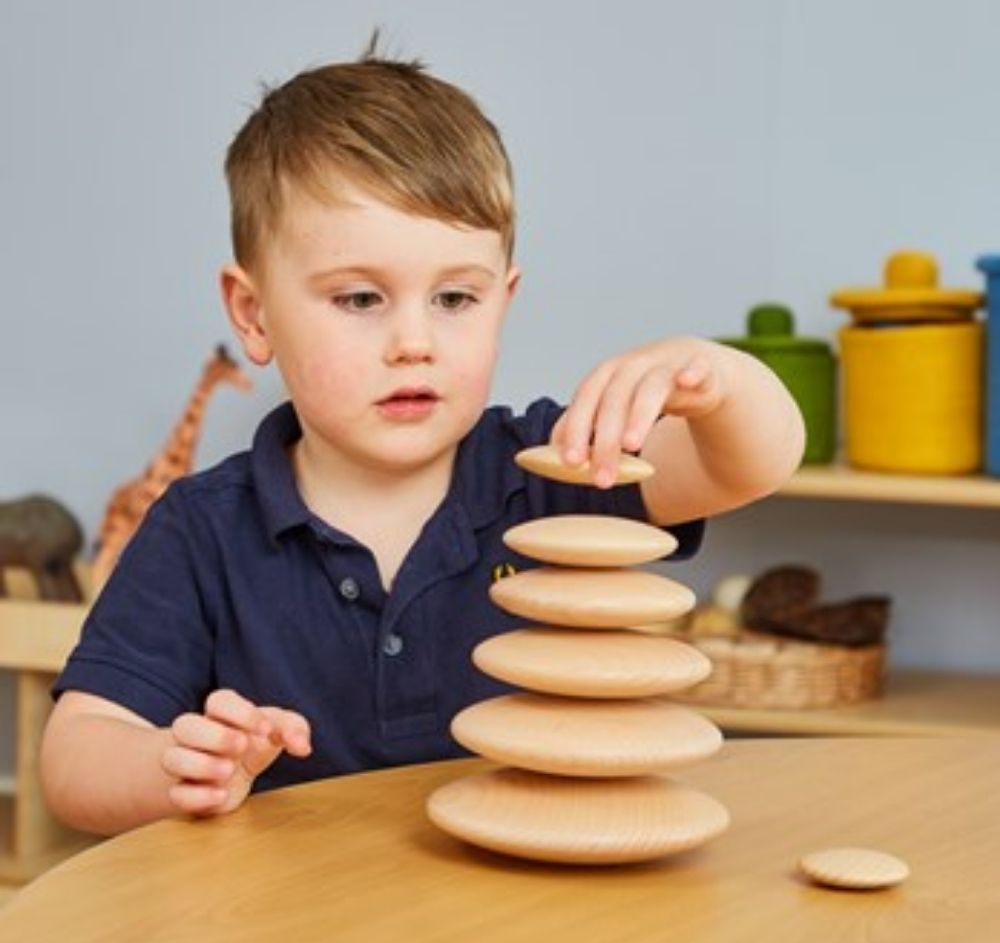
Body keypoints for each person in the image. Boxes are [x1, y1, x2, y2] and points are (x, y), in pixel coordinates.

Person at [40, 41, 805, 836]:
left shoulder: (557, 466)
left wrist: (719, 377)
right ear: (253, 313)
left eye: (454, 299)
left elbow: (752, 463)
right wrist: (172, 767)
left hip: (524, 920)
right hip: (286, 933)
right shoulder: (201, 530)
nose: (416, 342)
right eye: (362, 298)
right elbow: (75, 756)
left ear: (503, 301)